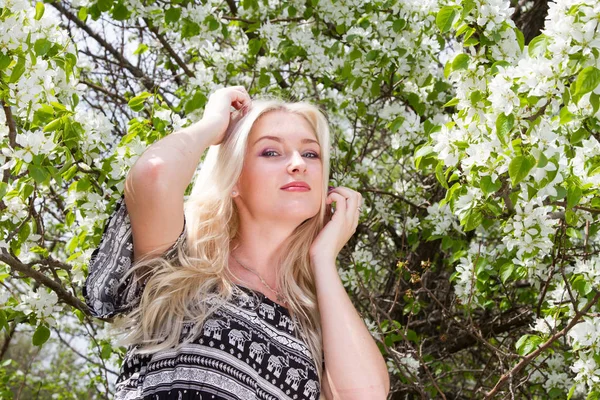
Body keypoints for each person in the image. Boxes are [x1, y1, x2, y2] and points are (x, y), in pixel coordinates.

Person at [84, 86, 390, 400]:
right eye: (271, 152)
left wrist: (324, 259)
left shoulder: (314, 316)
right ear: (233, 180)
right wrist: (213, 124)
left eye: (311, 153)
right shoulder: (180, 264)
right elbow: (155, 173)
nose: (299, 163)